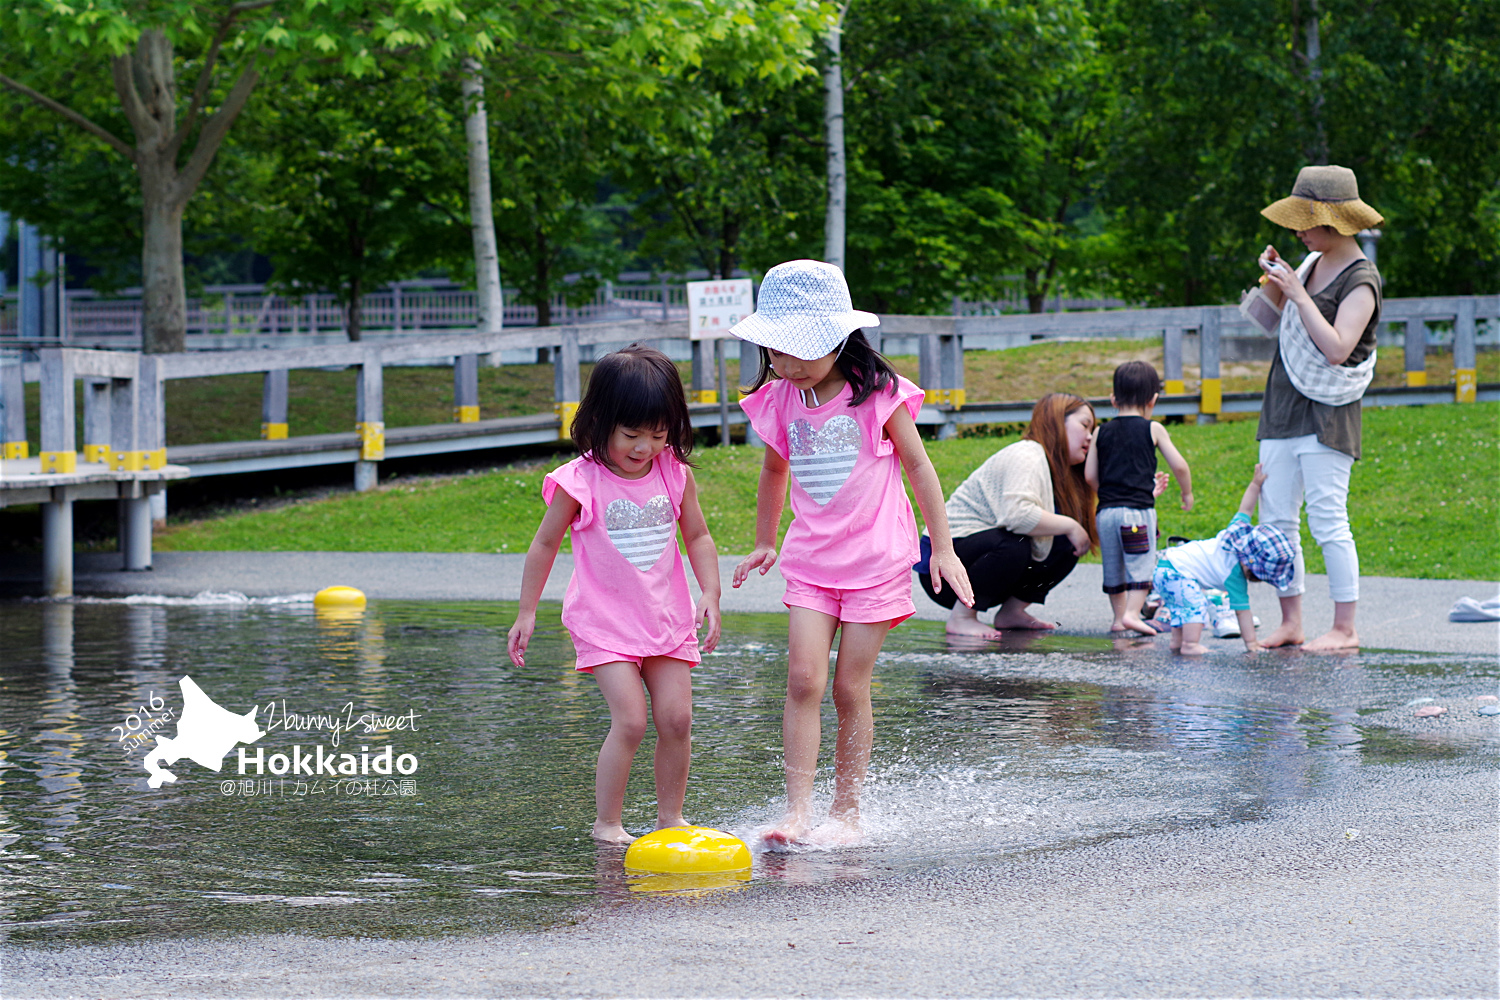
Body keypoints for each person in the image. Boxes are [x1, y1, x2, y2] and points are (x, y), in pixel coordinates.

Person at [729, 259, 973, 846]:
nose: (785, 366)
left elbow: (919, 466)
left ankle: (847, 812)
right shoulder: (782, 398)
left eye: (797, 351)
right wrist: (765, 538)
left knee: (848, 688)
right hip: (812, 562)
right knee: (803, 679)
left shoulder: (878, 395)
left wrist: (942, 547)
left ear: (837, 339)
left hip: (875, 562)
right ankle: (796, 812)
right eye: (775, 353)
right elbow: (773, 469)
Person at [507, 345, 723, 845]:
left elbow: (699, 537)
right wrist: (527, 610)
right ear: (600, 420)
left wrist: (709, 592)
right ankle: (608, 824)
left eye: (659, 433)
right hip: (604, 623)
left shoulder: (674, 473)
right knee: (631, 720)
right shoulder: (579, 480)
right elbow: (544, 544)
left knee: (677, 717)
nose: (645, 447)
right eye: (631, 434)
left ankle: (671, 819)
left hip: (665, 620)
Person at [1256, 164, 1383, 651]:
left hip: (1328, 412)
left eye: (1305, 220)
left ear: (1333, 219)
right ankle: (1292, 621)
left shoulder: (1361, 278)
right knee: (1277, 518)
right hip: (1283, 406)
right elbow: (1266, 322)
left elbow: (1337, 347)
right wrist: (1274, 279)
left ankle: (1345, 628)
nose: (1297, 229)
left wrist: (1297, 294)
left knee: (1329, 519)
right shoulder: (1308, 264)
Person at [918, 393, 1099, 638]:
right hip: (942, 568)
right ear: (1057, 422)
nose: (1090, 436)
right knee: (1016, 543)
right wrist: (1071, 525)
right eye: (1085, 425)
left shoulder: (1058, 472)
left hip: (973, 562)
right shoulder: (1028, 455)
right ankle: (962, 617)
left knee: (1066, 544)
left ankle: (1012, 612)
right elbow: (1017, 516)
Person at [1084, 361, 1193, 636]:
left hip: (1106, 515)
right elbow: (1179, 465)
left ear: (1113, 399)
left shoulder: (1100, 432)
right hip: (1137, 515)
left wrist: (1111, 492)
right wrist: (1186, 492)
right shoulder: (1153, 429)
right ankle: (1134, 614)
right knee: (1141, 564)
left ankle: (1119, 618)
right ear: (1152, 400)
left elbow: (1089, 476)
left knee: (1114, 567)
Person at [1153, 464, 1296, 654]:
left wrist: (1255, 484)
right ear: (1251, 565)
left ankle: (1177, 642)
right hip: (1178, 572)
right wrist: (1251, 644)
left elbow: (1246, 507)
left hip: (1166, 565)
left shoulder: (1237, 531)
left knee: (1183, 607)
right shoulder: (1234, 573)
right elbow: (1242, 612)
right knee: (1195, 605)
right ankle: (1190, 645)